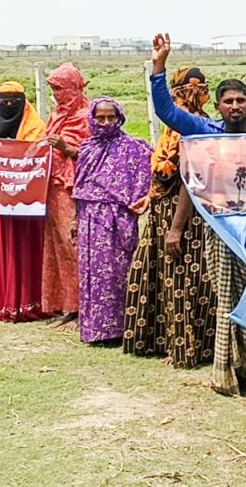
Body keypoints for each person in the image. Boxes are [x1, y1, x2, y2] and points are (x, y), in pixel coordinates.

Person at [150, 33, 246, 402]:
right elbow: (168, 113)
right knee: (226, 300)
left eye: (241, 101)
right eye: (228, 101)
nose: (235, 106)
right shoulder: (205, 132)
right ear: (218, 106)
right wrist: (159, 66)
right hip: (220, 228)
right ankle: (232, 370)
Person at [123, 65, 220, 368]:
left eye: (200, 89)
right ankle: (165, 341)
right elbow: (163, 174)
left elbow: (191, 181)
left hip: (186, 214)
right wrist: (150, 197)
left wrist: (176, 227)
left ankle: (186, 345)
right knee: (164, 275)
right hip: (163, 210)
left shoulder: (195, 129)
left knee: (182, 277)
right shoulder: (174, 130)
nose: (197, 95)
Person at [72, 98, 152, 344]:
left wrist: (140, 199)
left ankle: (121, 329)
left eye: (111, 117)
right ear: (92, 119)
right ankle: (95, 329)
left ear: (120, 118)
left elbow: (150, 175)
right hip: (90, 218)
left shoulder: (134, 148)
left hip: (119, 218)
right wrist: (75, 220)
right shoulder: (87, 149)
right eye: (100, 118)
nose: (106, 122)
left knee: (119, 272)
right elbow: (79, 187)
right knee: (93, 272)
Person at [0, 82, 49, 322]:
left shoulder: (35, 128)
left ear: (23, 102)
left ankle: (29, 302)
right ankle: (7, 303)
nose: (8, 105)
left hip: (29, 203)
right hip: (3, 201)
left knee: (27, 250)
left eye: (13, 100)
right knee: (6, 251)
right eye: (3, 100)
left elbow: (36, 157)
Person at [42, 63, 91, 326]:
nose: (56, 95)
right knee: (56, 246)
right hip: (52, 185)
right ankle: (65, 303)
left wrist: (67, 148)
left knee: (73, 243)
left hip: (73, 187)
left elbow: (95, 153)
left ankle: (84, 305)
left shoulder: (86, 116)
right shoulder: (56, 116)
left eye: (60, 89)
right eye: (53, 90)